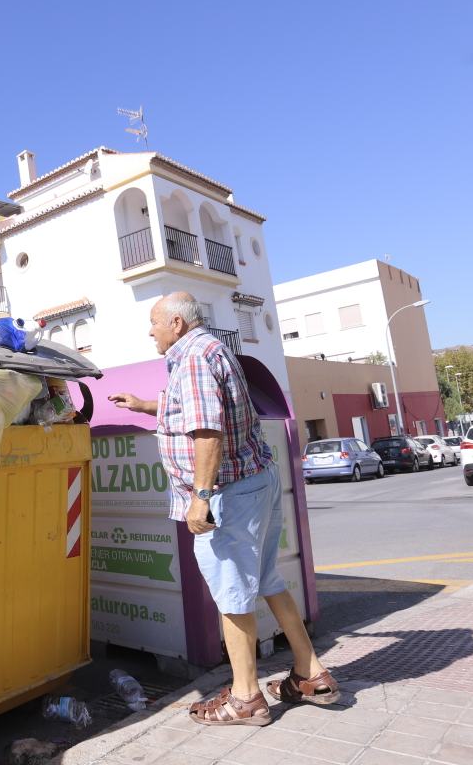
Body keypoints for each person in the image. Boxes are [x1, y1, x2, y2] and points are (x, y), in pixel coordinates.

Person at [108, 292, 339, 726]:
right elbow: (197, 409)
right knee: (268, 578)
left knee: (232, 592)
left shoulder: (192, 358)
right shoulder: (213, 349)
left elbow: (208, 432)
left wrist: (200, 495)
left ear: (176, 323)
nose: (150, 331)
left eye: (154, 322)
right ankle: (311, 673)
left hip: (228, 492)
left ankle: (246, 697)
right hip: (256, 480)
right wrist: (145, 406)